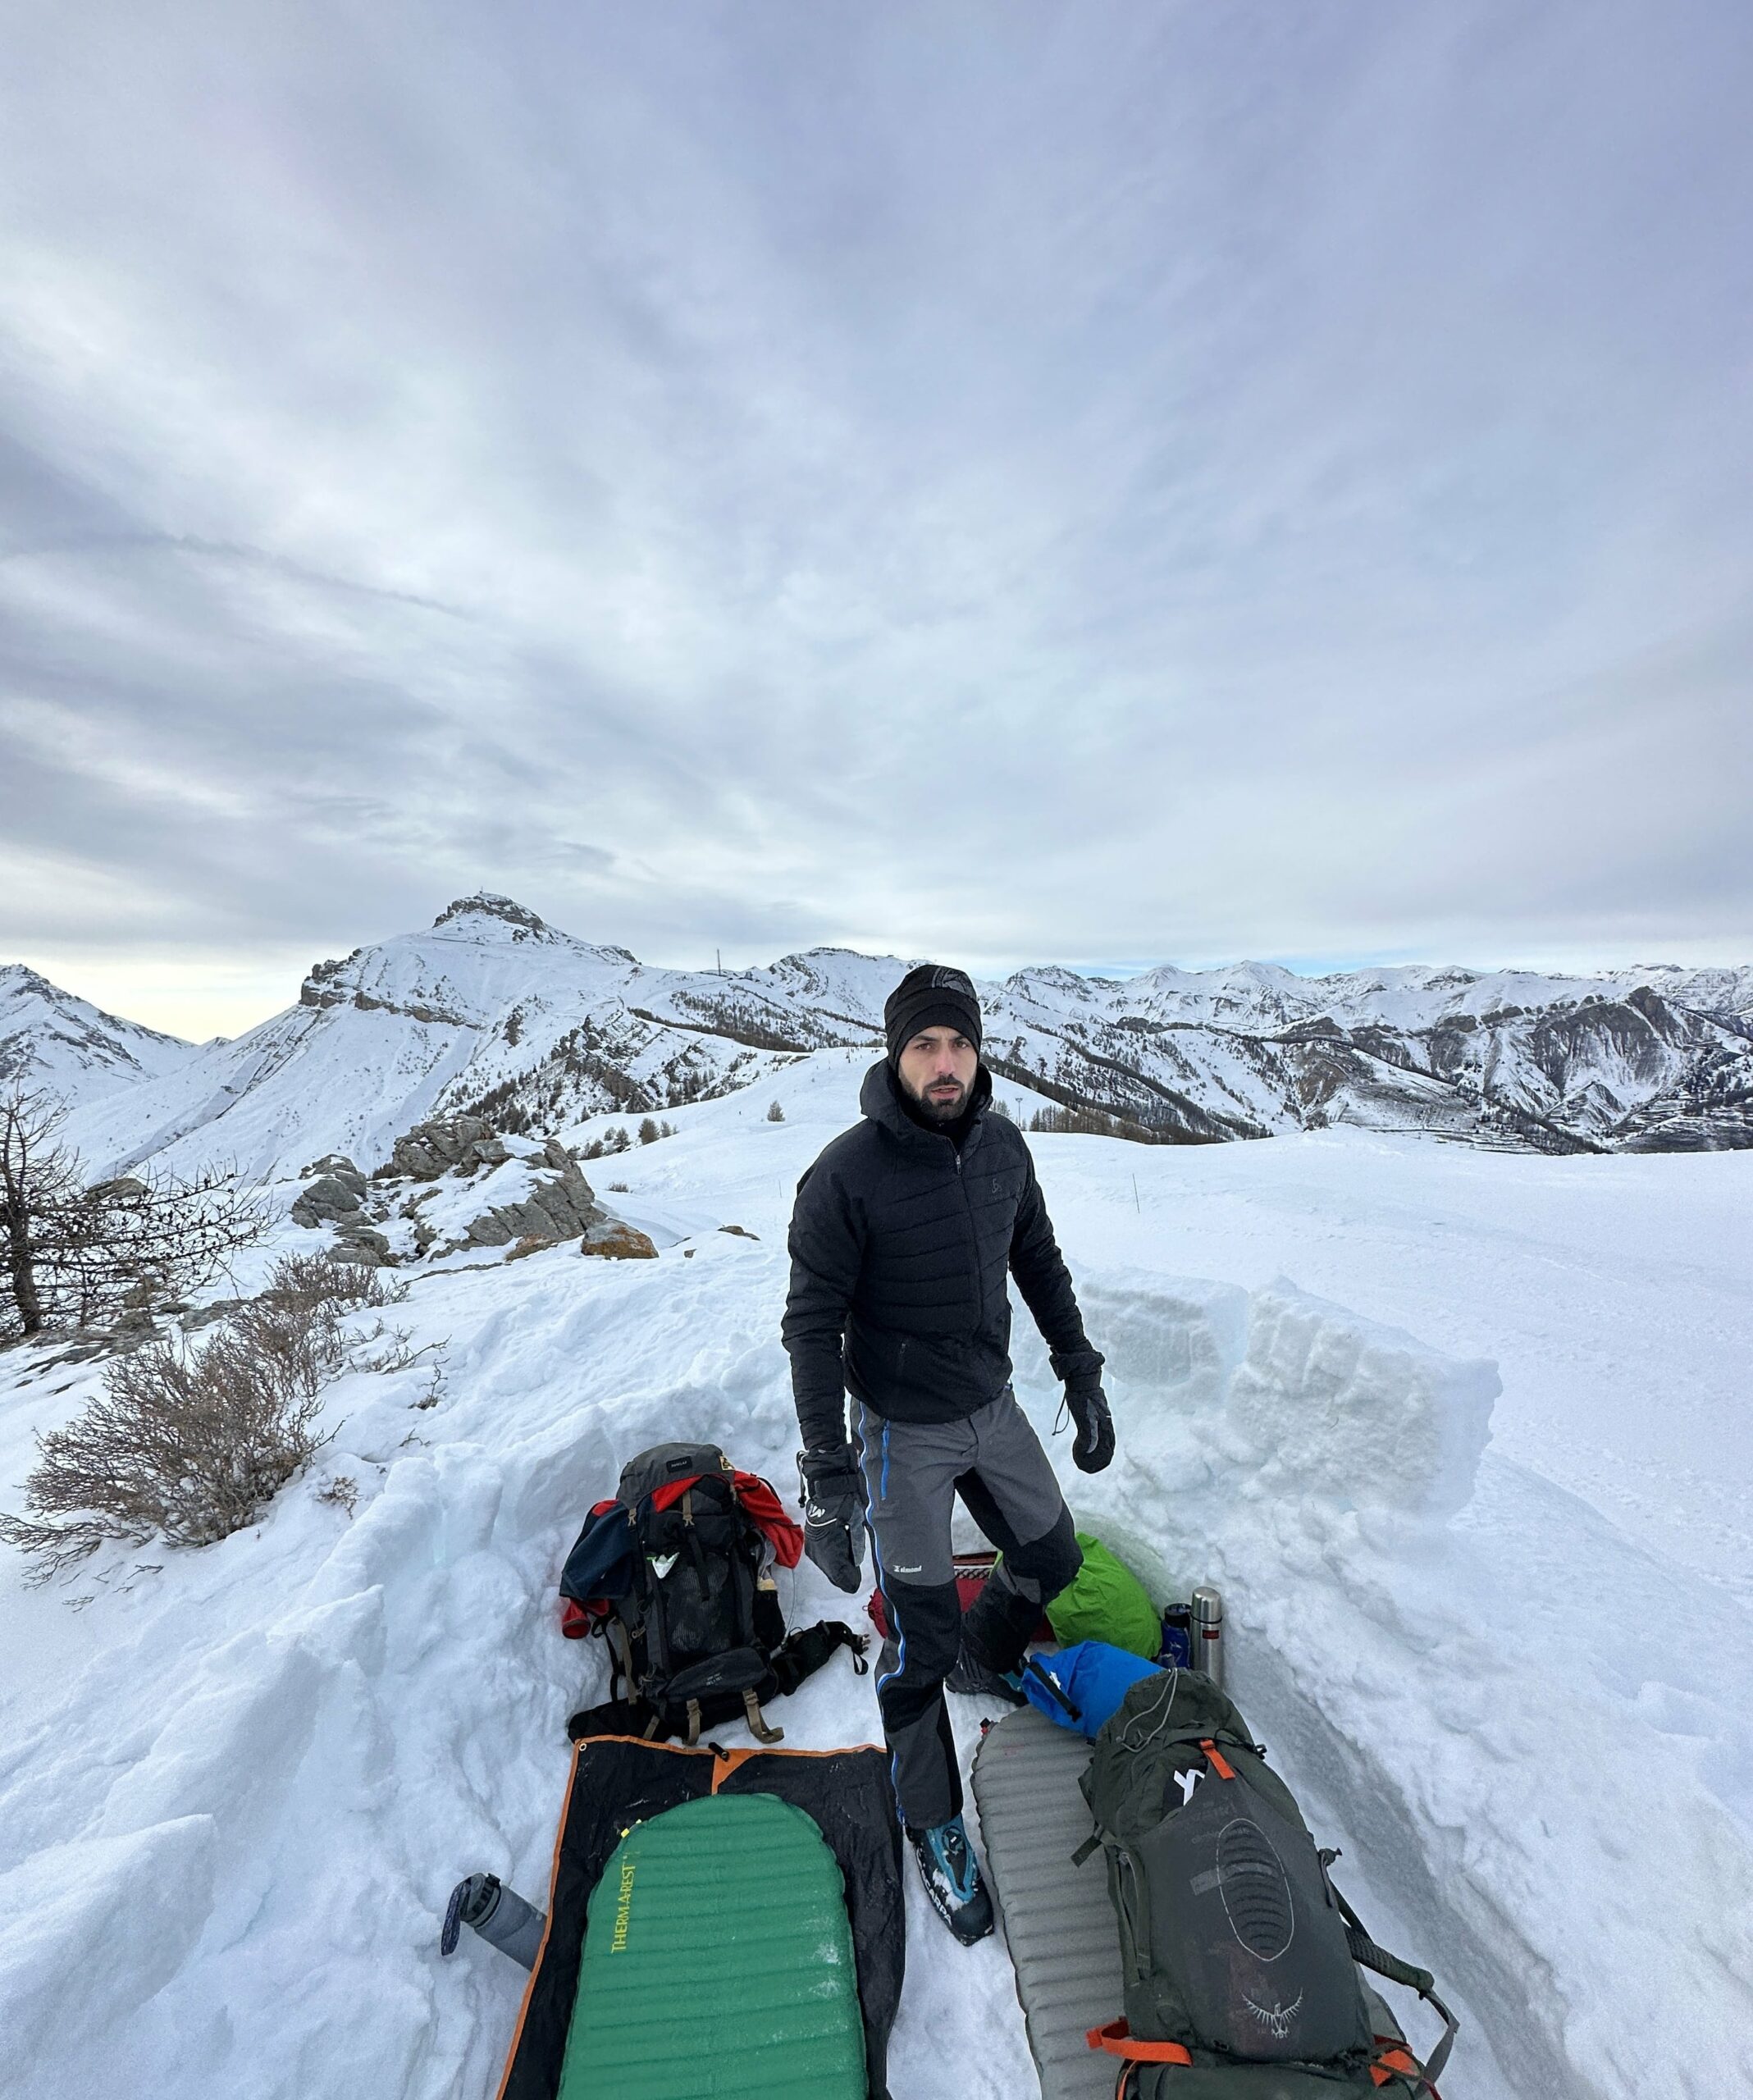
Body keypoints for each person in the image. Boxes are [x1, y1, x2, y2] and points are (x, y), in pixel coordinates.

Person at [783, 962, 1114, 1942]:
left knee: (1050, 1557)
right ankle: (930, 1820)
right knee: (915, 1644)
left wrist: (1080, 1368)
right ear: (894, 1054)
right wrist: (828, 1477)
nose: (944, 1062)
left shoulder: (1004, 1148)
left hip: (992, 1404)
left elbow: (1037, 1259)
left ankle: (989, 1647)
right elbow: (811, 1327)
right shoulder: (845, 1174)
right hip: (899, 1436)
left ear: (978, 1052)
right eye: (924, 1043)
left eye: (958, 1043)